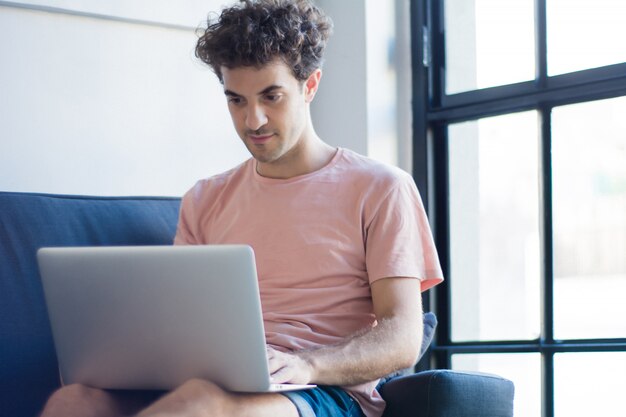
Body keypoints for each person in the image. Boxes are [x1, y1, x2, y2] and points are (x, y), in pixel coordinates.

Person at [39, 1, 443, 416]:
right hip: (211, 382)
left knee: (199, 406)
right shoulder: (205, 198)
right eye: (236, 100)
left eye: (272, 96)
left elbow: (402, 335)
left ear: (310, 85)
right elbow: (178, 322)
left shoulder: (382, 188)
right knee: (74, 401)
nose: (253, 121)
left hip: (321, 390)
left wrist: (307, 364)